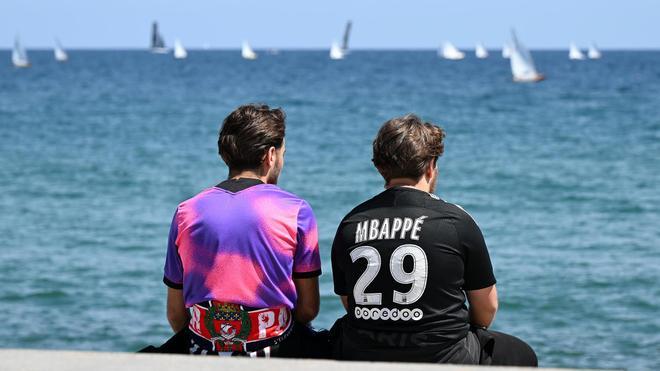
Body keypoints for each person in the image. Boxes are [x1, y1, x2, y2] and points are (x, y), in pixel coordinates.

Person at [330, 114, 537, 366]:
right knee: (521, 354)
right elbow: (486, 309)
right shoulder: (456, 222)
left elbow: (349, 303)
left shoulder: (351, 223)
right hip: (444, 357)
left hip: (362, 352)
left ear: (380, 167)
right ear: (430, 166)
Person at [158, 104, 325, 357]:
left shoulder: (187, 212)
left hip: (201, 350)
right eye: (283, 153)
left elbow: (175, 314)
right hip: (274, 349)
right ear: (271, 155)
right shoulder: (296, 211)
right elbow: (308, 309)